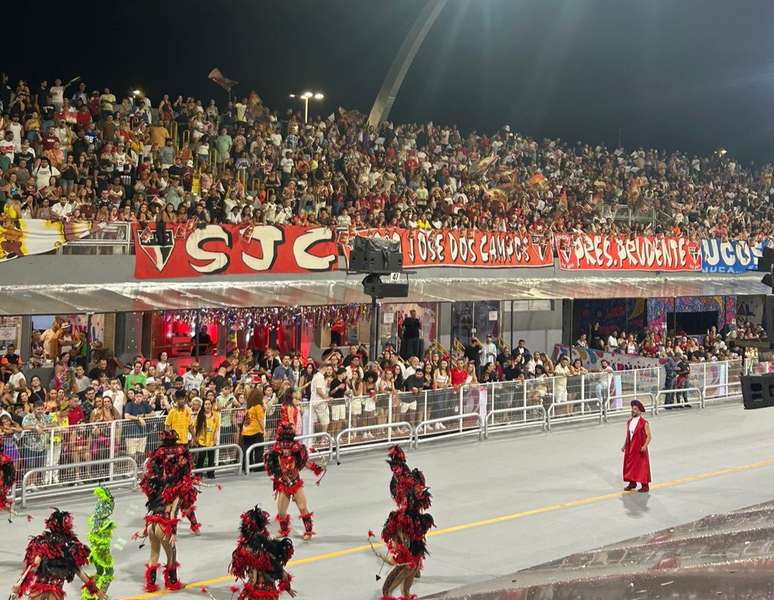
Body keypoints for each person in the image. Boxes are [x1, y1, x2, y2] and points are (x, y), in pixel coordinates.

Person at [138, 430, 198, 591]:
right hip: (164, 526)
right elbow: (172, 514)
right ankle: (172, 582)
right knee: (172, 554)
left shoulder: (156, 487)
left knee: (154, 553)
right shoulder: (177, 491)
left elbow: (151, 509)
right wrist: (174, 534)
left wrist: (144, 529)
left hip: (151, 525)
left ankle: (150, 584)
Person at [371, 445, 435, 600]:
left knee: (413, 564)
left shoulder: (409, 479)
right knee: (408, 563)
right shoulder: (399, 482)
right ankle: (387, 594)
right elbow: (403, 505)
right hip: (405, 522)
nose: (394, 469)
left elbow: (414, 502)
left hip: (412, 523)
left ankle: (405, 594)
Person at [10, 509, 105, 600]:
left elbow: (34, 565)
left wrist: (19, 585)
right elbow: (80, 572)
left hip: (38, 589)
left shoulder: (43, 542)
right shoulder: (71, 547)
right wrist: (96, 591)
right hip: (55, 592)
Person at [264, 420, 325, 540]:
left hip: (296, 483)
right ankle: (284, 530)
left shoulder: (297, 450)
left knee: (302, 507)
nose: (286, 447)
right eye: (283, 443)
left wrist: (315, 468)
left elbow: (305, 462)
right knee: (281, 511)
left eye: (288, 443)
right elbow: (271, 467)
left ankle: (308, 531)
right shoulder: (275, 452)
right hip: (283, 484)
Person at [228, 505, 296, 599]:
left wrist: (241, 597)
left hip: (258, 594)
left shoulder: (248, 552)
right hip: (271, 593)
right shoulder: (268, 549)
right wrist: (287, 587)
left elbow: (253, 580)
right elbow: (282, 573)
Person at [82, 487, 115, 600]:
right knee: (110, 572)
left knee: (99, 572)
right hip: (102, 552)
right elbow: (104, 543)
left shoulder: (94, 520)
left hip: (94, 552)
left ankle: (90, 594)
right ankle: (101, 595)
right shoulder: (106, 523)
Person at [622, 400, 652, 493]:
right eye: (632, 409)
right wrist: (624, 445)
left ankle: (645, 486)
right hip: (630, 447)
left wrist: (644, 445)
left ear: (639, 411)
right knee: (630, 465)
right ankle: (632, 483)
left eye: (635, 409)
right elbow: (628, 435)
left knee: (642, 466)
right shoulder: (629, 422)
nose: (633, 411)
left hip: (639, 448)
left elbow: (649, 436)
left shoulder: (644, 423)